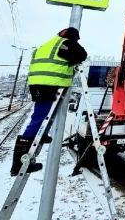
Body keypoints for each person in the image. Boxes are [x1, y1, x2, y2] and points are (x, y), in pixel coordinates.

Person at [10, 27, 87, 176]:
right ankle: (19, 162)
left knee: (42, 116)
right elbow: (82, 55)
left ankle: (41, 134)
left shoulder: (46, 45)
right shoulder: (66, 43)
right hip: (49, 83)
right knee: (39, 118)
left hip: (38, 83)